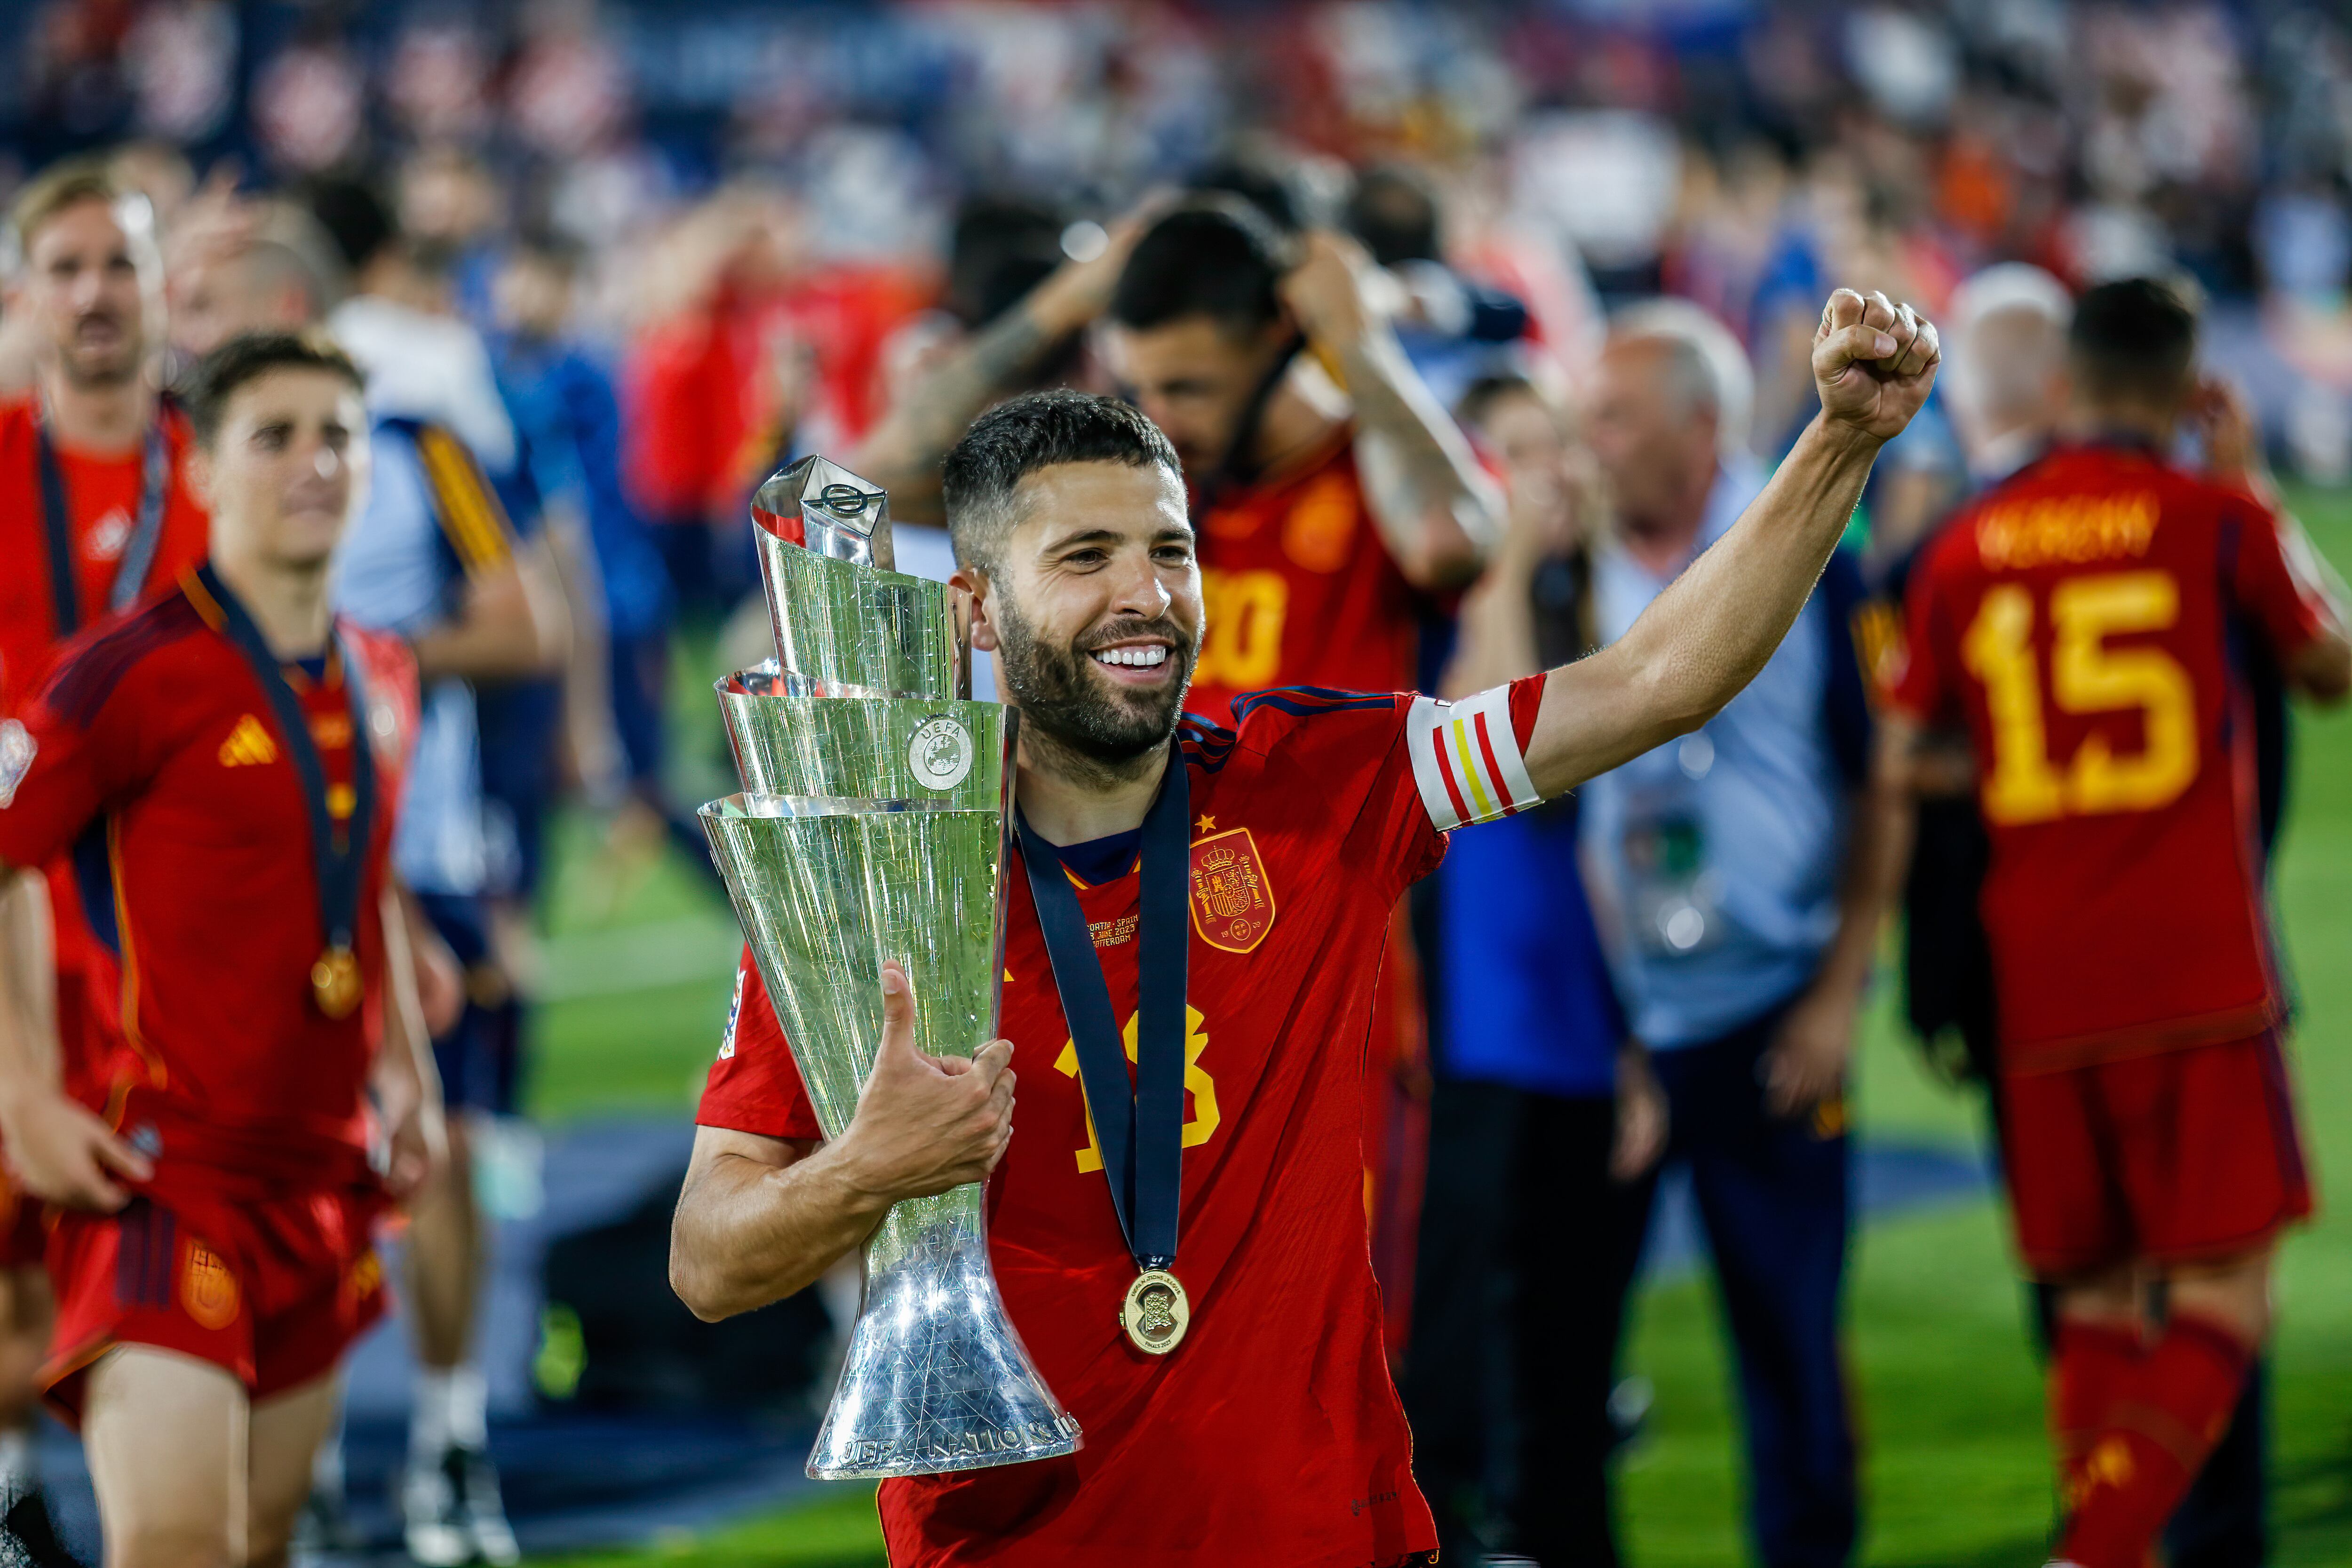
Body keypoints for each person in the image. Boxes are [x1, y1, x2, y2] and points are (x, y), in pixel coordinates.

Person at [668, 285, 1939, 1566]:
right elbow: (710, 1264)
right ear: (979, 611)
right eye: (1084, 558)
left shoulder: (1326, 780)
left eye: (1170, 549)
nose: (1144, 594)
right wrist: (865, 1167)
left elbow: (1655, 683)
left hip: (1330, 1533)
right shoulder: (878, 884)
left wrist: (1840, 441)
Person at [1880, 277, 2351, 1568]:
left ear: (2072, 382)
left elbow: (1909, 745)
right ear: (2192, 388)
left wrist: (2030, 773)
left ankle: (2102, 1540)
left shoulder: (1967, 546)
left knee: (2092, 1299)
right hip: (2196, 970)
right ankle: (2098, 1551)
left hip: (2039, 974)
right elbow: (2330, 665)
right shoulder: (2212, 519)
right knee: (2227, 1294)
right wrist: (2250, 480)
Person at [0, 330, 443, 1568]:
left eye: (338, 434)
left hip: (318, 1173)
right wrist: (22, 1090)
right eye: (276, 434)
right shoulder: (120, 676)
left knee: (256, 1546)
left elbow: (369, 884)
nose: (315, 460)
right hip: (164, 1172)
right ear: (199, 467)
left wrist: (409, 1065)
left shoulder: (386, 669)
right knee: (182, 1547)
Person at [169, 191, 560, 1566]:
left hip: (421, 848)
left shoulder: (414, 444)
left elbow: (526, 622)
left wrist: (353, 664)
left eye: (206, 307)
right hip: (242, 870)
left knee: (441, 1142)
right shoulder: (179, 460)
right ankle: (311, 1445)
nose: (179, 327)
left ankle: (449, 1434)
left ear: (283, 316)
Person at [1577, 300, 1891, 1568]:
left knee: (1789, 1332)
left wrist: (1837, 994)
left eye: (1617, 415)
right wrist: (1616, 1034)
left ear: (1701, 426)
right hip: (1625, 1025)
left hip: (1774, 1002)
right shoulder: (1564, 565)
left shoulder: (1813, 549)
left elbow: (1881, 780)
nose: (1590, 441)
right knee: (1568, 1345)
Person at [1400, 373, 1664, 1568]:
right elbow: (1483, 728)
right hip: (1478, 1026)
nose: (1549, 473)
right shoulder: (1458, 609)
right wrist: (1503, 552)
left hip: (1591, 1013)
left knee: (1573, 1332)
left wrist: (1637, 1048)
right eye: (1511, 454)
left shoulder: (1606, 604)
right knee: (1460, 1317)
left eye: (1557, 448)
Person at [0, 158, 214, 1551]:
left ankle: (218, 1491)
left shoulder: (224, 459)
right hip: (19, 896)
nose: (93, 294)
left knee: (201, 1221)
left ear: (161, 285)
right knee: (12, 1237)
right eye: (67, 267)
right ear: (26, 294)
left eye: (119, 265)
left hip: (185, 911)